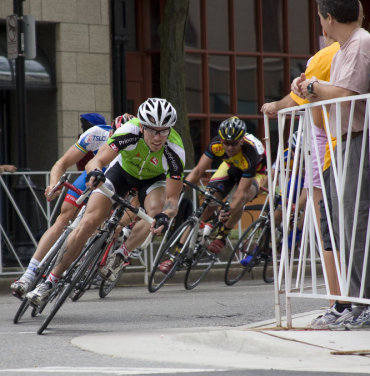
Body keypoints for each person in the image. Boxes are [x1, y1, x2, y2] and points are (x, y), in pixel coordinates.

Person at [26, 98, 185, 305]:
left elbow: (172, 201)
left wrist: (166, 215)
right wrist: (95, 173)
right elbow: (97, 160)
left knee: (155, 211)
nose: (158, 137)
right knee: (88, 222)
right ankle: (50, 281)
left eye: (164, 131)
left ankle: (123, 253)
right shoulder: (129, 132)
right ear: (142, 125)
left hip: (152, 181)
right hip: (122, 173)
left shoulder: (175, 151)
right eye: (153, 130)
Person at [294, 0, 370, 330]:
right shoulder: (343, 50)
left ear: (327, 18)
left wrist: (311, 87)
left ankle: (364, 303)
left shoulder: (360, 44)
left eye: (319, 18)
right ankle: (357, 303)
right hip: (347, 140)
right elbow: (332, 96)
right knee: (346, 222)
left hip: (360, 138)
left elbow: (344, 93)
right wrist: (309, 89)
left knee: (356, 221)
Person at [10, 113, 128, 297]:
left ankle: (71, 266)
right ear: (111, 131)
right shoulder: (96, 133)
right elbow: (62, 163)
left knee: (90, 227)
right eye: (115, 137)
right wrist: (53, 184)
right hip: (95, 173)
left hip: (117, 182)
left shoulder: (138, 150)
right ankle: (28, 274)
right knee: (63, 218)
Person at [159, 116, 266, 274]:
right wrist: (179, 190)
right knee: (208, 201)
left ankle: (222, 235)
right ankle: (175, 256)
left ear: (241, 141)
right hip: (231, 165)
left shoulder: (250, 153)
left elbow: (240, 193)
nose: (229, 148)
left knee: (242, 198)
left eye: (234, 144)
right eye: (226, 143)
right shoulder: (216, 144)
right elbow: (197, 172)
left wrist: (228, 209)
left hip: (256, 172)